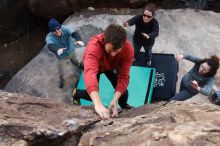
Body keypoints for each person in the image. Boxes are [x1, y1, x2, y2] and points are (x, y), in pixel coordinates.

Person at [72, 24, 134, 120]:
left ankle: (124, 107)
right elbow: (90, 73)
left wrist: (115, 99)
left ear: (123, 44)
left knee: (123, 93)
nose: (113, 54)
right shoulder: (94, 46)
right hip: (96, 65)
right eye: (110, 50)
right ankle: (76, 93)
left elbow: (124, 76)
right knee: (91, 95)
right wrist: (98, 104)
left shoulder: (128, 49)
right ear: (104, 40)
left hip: (110, 67)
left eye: (117, 51)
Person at [46, 18, 84, 88]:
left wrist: (79, 40)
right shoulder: (49, 37)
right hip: (61, 56)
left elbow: (74, 33)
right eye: (54, 30)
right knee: (61, 70)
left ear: (60, 26)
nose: (57, 31)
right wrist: (57, 50)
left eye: (58, 28)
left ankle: (79, 65)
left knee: (74, 60)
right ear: (51, 31)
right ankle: (61, 80)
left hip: (71, 51)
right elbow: (50, 45)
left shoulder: (65, 29)